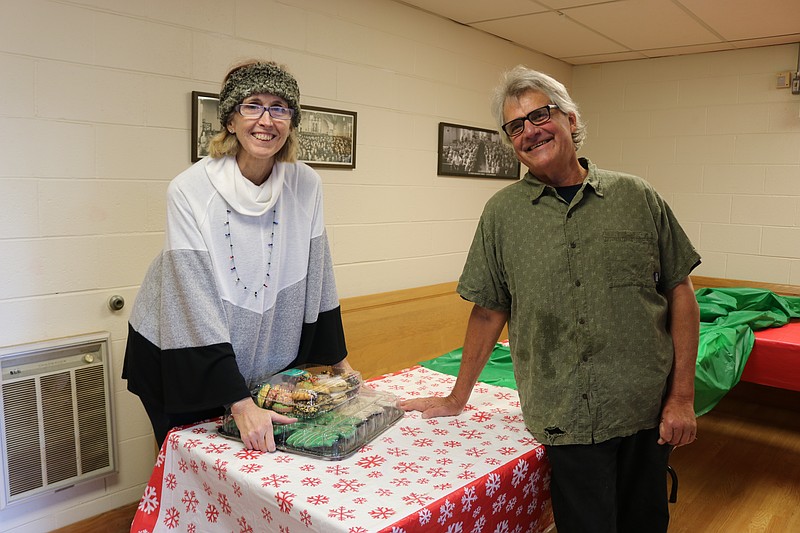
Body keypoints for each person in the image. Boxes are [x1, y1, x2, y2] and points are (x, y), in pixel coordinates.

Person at [401, 65, 701, 532]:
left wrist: (681, 397)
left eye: (539, 115)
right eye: (515, 126)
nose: (529, 131)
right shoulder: (502, 215)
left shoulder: (636, 196)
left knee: (646, 524)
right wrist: (457, 397)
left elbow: (680, 292)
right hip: (564, 416)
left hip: (644, 408)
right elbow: (487, 310)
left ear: (572, 120)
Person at [123, 60, 349, 452]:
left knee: (262, 464)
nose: (267, 119)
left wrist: (340, 364)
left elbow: (319, 272)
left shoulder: (306, 185)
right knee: (198, 468)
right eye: (252, 105)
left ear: (291, 121)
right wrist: (240, 402)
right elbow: (192, 301)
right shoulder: (189, 190)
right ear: (230, 119)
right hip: (181, 349)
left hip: (255, 355)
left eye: (279, 107)